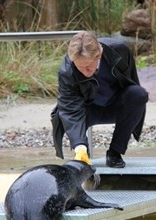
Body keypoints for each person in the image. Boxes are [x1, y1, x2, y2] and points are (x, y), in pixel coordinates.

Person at [52, 31, 148, 168]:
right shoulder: (66, 71)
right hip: (86, 110)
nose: (85, 71)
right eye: (80, 67)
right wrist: (80, 146)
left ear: (99, 55)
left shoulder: (118, 50)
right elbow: (70, 109)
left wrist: (135, 111)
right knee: (69, 122)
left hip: (115, 105)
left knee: (138, 94)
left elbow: (131, 81)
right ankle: (81, 155)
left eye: (88, 67)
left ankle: (115, 152)